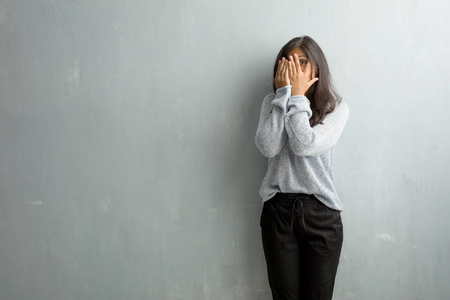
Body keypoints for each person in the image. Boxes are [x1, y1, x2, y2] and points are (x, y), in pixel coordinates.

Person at [254, 35, 350, 300]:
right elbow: (268, 147)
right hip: (279, 213)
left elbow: (304, 145)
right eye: (288, 62)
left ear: (316, 68)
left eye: (303, 62)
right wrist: (284, 96)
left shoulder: (335, 108)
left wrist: (297, 97)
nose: (294, 69)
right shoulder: (271, 103)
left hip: (322, 215)